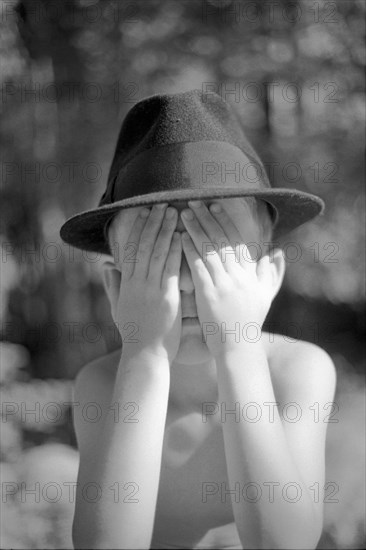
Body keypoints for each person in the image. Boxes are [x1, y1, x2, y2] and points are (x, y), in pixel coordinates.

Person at [60, 89, 337, 550]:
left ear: (268, 278)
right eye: (160, 258)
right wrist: (145, 355)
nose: (189, 284)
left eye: (215, 257)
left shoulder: (298, 371)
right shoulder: (102, 386)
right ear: (116, 287)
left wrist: (239, 347)